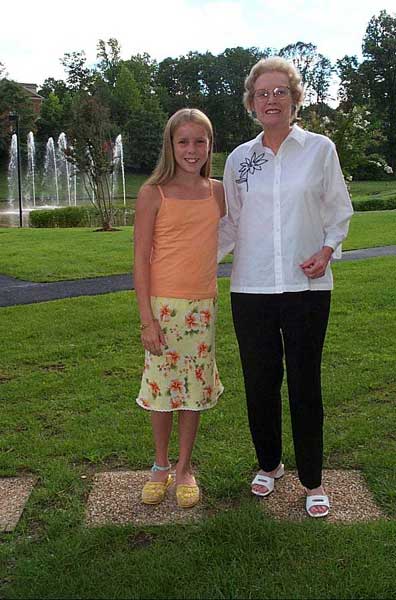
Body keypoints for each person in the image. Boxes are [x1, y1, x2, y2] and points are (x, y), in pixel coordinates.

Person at [218, 57, 353, 517]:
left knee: (304, 382)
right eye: (262, 93)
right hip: (250, 288)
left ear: (295, 99)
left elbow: (339, 211)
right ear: (251, 103)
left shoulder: (320, 149)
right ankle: (269, 463)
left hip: (307, 287)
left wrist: (330, 248)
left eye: (280, 92)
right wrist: (184, 265)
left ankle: (313, 479)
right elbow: (230, 224)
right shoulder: (240, 159)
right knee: (259, 382)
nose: (271, 100)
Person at [134, 108, 225, 509]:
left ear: (210, 145)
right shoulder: (153, 193)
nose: (192, 150)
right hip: (163, 309)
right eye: (183, 141)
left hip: (202, 307)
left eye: (199, 141)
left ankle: (185, 467)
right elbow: (139, 261)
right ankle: (160, 465)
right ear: (170, 145)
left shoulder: (217, 191)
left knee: (193, 389)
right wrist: (146, 320)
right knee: (161, 391)